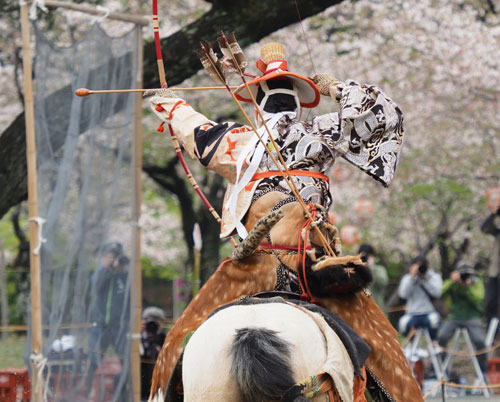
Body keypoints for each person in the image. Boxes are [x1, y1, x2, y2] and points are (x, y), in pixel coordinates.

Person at [145, 42, 422, 401]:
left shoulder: (237, 142)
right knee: (387, 353)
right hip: (315, 270)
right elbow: (387, 116)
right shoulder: (321, 133)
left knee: (174, 345)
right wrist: (339, 90)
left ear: (258, 100)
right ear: (297, 99)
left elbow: (195, 130)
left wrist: (167, 102)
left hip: (249, 269)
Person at [86, 243, 130, 398]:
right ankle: (86, 394)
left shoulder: (124, 276)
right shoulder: (100, 273)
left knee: (127, 362)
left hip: (120, 327)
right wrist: (106, 268)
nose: (113, 260)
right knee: (92, 362)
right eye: (110, 256)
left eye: (115, 257)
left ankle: (125, 396)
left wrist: (123, 271)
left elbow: (132, 293)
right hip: (100, 326)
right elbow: (95, 286)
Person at [437, 263, 488, 375]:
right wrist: (452, 281)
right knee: (442, 337)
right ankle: (443, 369)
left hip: (472, 317)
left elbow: (478, 299)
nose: (465, 276)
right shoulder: (453, 282)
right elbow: (440, 293)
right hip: (454, 317)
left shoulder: (476, 282)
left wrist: (467, 288)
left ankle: (482, 371)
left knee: (480, 341)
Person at [398, 255, 443, 339]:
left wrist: (425, 279)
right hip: (412, 313)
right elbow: (403, 294)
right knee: (402, 324)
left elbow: (437, 293)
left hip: (430, 312)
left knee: (434, 321)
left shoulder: (434, 277)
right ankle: (411, 344)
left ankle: (433, 342)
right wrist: (411, 278)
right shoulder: (407, 278)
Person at [140, 307, 166, 401]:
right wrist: (137, 333)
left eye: (156, 320)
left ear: (162, 323)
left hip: (158, 384)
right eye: (149, 320)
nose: (152, 324)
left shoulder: (166, 339)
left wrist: (161, 352)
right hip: (140, 383)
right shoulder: (137, 338)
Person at [481, 205, 500, 328]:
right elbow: (484, 228)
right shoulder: (498, 232)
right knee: (490, 304)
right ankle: (491, 338)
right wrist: (494, 214)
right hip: (495, 273)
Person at [358, 244, 389, 314]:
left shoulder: (379, 270)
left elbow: (383, 283)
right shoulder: (355, 270)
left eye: (367, 256)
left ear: (373, 257)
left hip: (377, 311)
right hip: (361, 311)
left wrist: (370, 268)